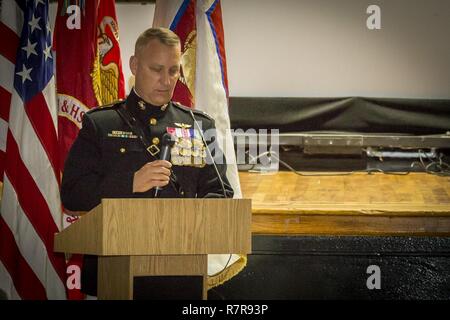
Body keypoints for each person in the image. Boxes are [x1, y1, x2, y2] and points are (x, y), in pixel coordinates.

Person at [60, 27, 234, 296]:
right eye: (157, 69)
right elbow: (73, 193)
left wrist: (189, 223)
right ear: (134, 65)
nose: (166, 80)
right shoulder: (101, 123)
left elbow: (220, 193)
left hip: (182, 275)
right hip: (114, 273)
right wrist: (130, 182)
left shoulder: (200, 126)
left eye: (173, 71)